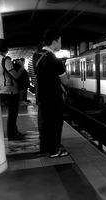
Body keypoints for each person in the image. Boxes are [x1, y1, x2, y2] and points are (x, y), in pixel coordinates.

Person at [33, 28, 69, 158]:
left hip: (42, 96)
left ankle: (45, 147)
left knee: (45, 122)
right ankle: (54, 151)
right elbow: (65, 81)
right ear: (54, 41)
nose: (61, 44)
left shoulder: (36, 56)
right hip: (54, 97)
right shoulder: (55, 60)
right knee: (56, 123)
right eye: (60, 41)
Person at [0, 38, 25, 140]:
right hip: (10, 90)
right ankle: (12, 134)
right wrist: (21, 67)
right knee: (13, 114)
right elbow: (15, 75)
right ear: (6, 48)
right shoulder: (5, 60)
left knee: (7, 114)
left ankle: (13, 133)